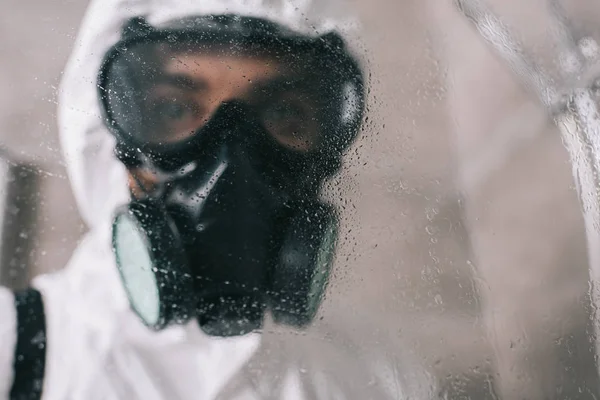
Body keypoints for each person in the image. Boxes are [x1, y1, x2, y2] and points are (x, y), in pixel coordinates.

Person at [0, 1, 436, 399]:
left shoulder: (379, 373)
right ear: (111, 140)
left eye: (284, 114)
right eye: (173, 109)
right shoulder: (15, 350)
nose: (231, 160)